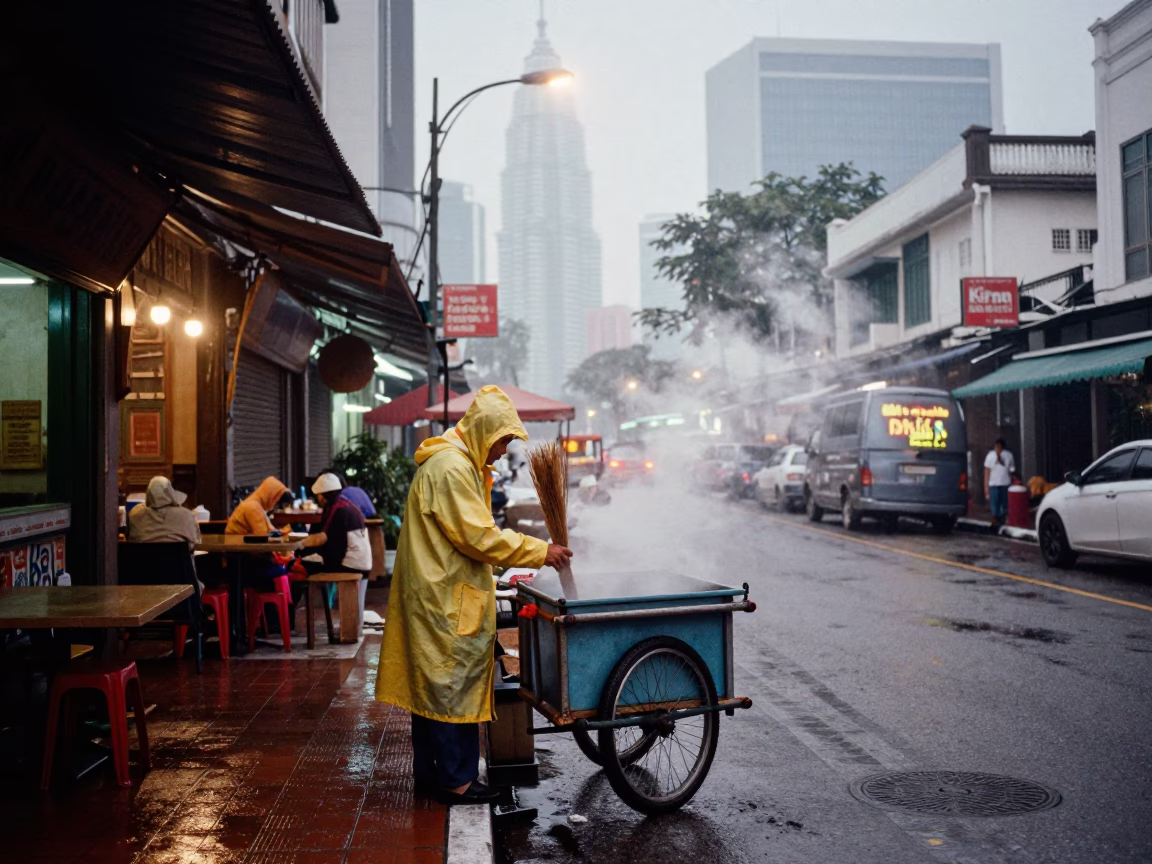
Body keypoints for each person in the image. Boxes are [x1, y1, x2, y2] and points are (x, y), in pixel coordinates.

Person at [375, 386, 573, 805]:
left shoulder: (456, 462)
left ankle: (432, 774)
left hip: (438, 589)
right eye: (502, 441)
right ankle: (457, 781)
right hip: (443, 597)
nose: (503, 451)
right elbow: (478, 537)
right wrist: (540, 551)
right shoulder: (451, 468)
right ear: (485, 431)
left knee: (432, 691)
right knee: (452, 688)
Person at [297, 473, 372, 573]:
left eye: (318, 495)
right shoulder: (345, 504)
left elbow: (323, 537)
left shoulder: (337, 509)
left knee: (306, 565)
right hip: (361, 562)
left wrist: (301, 544)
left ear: (323, 495)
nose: (318, 498)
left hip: (350, 564)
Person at [128, 476, 201, 548]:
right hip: (178, 559)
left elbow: (130, 539)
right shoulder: (187, 515)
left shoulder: (135, 513)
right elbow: (195, 543)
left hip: (144, 559)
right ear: (171, 493)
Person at [984, 438, 1016, 525]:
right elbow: (1012, 470)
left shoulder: (992, 455)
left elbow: (986, 471)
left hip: (998, 483)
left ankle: (997, 518)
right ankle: (1000, 518)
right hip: (1002, 483)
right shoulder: (1008, 455)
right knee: (1001, 502)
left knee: (998, 503)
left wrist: (986, 486)